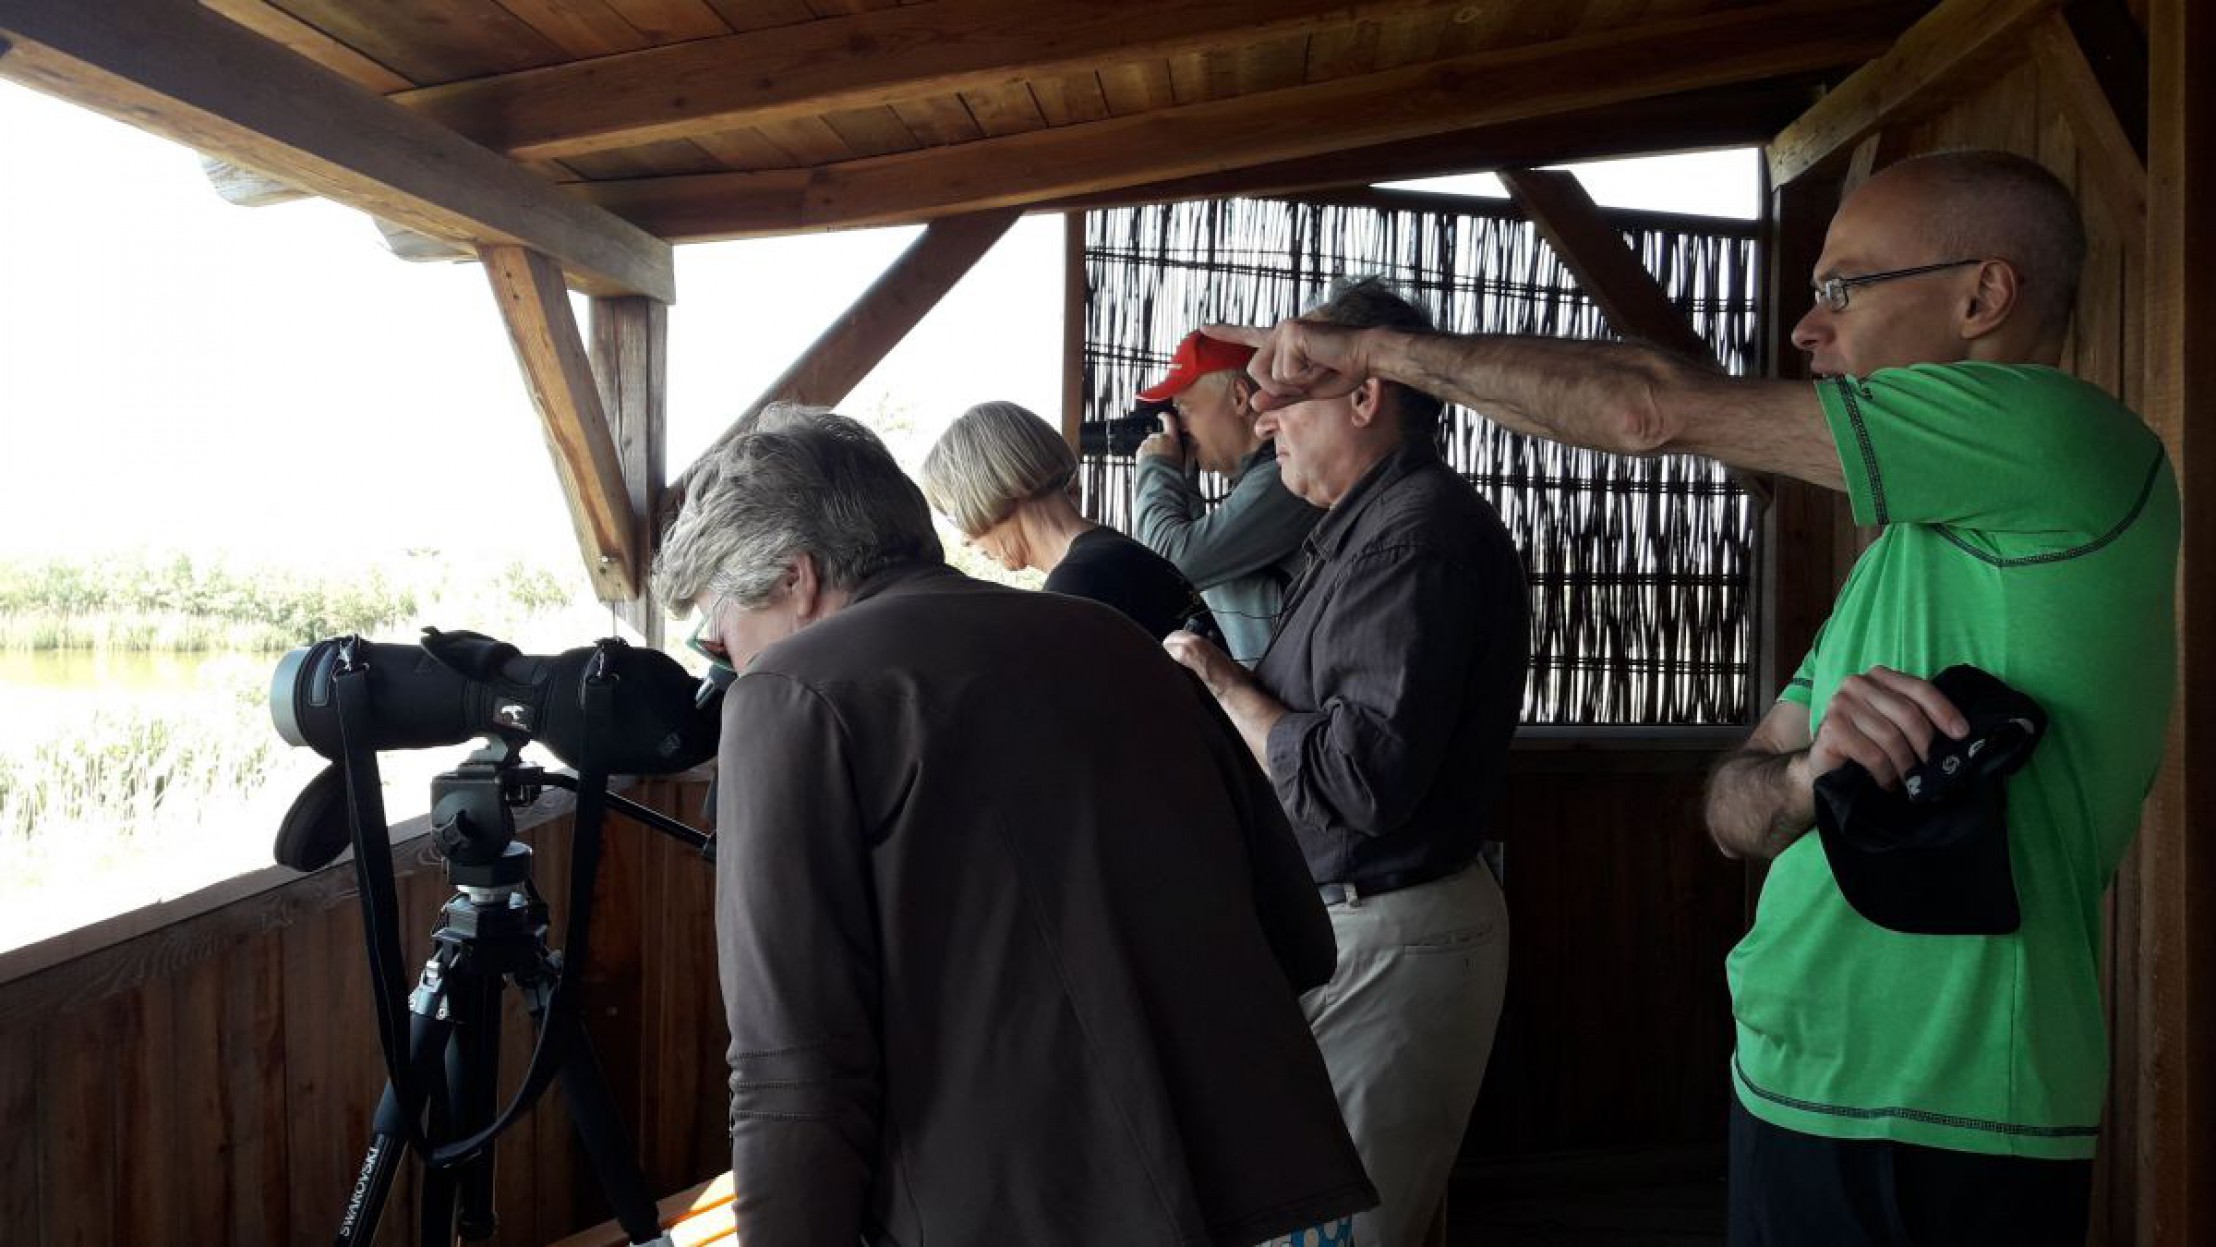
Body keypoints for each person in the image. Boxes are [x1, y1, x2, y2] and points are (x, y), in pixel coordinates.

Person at [1213, 151, 2179, 1246]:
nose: (1807, 330)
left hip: (1946, 1097)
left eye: (1840, 288)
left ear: (1980, 296)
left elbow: (1644, 411)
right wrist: (1811, 776)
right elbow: (1733, 807)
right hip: (1789, 1070)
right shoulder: (1898, 557)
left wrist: (1377, 347)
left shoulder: (2060, 438)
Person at [654, 405, 1374, 1247]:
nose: (727, 660)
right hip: (1275, 1199)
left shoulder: (792, 695)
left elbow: (793, 1079)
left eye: (717, 632)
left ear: (795, 579)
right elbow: (1302, 941)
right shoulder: (1120, 641)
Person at [1162, 278, 1528, 1247]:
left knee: (1335, 1231)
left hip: (1393, 924)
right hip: (1356, 925)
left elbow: (1361, 779)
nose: (1263, 412)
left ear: (1366, 396)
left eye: (1287, 392)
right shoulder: (1370, 523)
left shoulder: (1415, 537)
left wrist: (1220, 681)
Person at [921, 399, 1213, 640]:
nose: (964, 538)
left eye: (957, 515)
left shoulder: (1081, 583)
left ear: (996, 486)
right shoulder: (1112, 556)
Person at [1131, 330, 1325, 665]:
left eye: (1184, 408)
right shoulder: (1259, 479)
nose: (1181, 425)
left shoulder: (1284, 480)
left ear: (1238, 397)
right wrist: (1182, 472)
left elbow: (1170, 564)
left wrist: (1158, 468)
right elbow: (1198, 561)